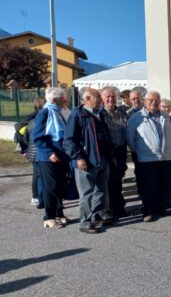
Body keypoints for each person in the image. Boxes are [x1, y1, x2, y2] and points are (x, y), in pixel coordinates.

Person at [64, 88, 112, 234]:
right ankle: (85, 222)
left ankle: (95, 217)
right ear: (88, 99)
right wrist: (78, 157)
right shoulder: (78, 114)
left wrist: (111, 157)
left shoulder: (101, 114)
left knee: (101, 191)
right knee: (87, 193)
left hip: (103, 160)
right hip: (86, 161)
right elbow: (69, 140)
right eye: (98, 97)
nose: (101, 100)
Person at [126, 90, 171, 222]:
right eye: (150, 100)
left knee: (163, 184)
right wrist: (139, 151)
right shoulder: (136, 118)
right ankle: (148, 210)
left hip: (164, 157)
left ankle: (160, 208)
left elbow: (168, 135)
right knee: (148, 186)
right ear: (145, 102)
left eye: (156, 101)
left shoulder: (165, 116)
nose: (154, 103)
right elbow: (130, 138)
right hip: (146, 158)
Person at [32, 87, 70, 229]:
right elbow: (37, 137)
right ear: (55, 100)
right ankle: (49, 217)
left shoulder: (60, 112)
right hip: (48, 158)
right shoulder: (45, 113)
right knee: (51, 187)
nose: (65, 100)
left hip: (61, 156)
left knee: (60, 185)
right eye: (62, 98)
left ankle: (59, 213)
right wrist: (49, 153)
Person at [100, 86, 130, 218]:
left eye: (113, 97)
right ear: (103, 99)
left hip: (121, 150)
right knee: (106, 181)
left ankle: (118, 207)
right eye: (108, 97)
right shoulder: (100, 114)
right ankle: (108, 209)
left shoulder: (122, 114)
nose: (111, 99)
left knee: (117, 180)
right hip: (107, 152)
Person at [24, 96, 46, 208]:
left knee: (37, 175)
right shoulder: (41, 119)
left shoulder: (32, 120)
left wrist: (28, 148)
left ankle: (36, 197)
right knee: (40, 176)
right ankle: (38, 197)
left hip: (32, 152)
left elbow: (26, 137)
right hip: (39, 153)